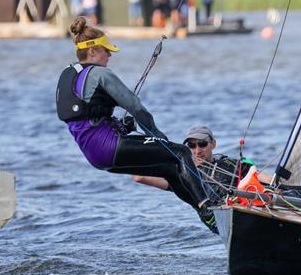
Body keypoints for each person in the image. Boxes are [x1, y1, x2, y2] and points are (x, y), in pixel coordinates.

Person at [56, 17, 212, 223]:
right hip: (111, 147)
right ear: (92, 51)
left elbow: (88, 119)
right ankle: (208, 208)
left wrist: (121, 126)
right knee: (180, 152)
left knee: (169, 169)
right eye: (106, 50)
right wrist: (159, 137)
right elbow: (136, 108)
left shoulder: (68, 75)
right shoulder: (100, 74)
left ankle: (204, 212)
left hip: (95, 156)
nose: (110, 55)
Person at [133, 124, 272, 233]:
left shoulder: (229, 163)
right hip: (220, 220)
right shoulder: (182, 174)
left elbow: (260, 176)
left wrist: (281, 181)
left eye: (202, 144)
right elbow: (139, 177)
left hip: (248, 212)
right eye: (191, 146)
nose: (197, 150)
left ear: (213, 144)